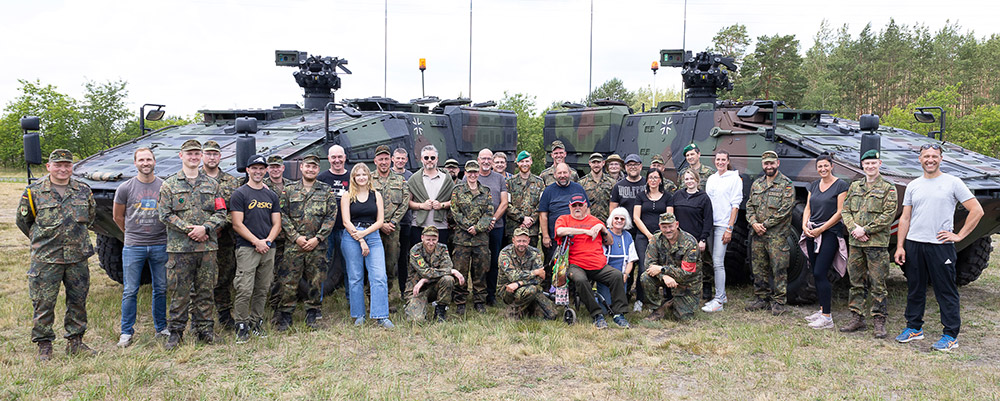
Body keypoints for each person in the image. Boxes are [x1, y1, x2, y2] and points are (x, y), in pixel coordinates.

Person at [894, 143, 983, 351]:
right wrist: (900, 245)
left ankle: (951, 335)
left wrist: (959, 235)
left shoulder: (953, 182)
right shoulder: (913, 185)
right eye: (926, 156)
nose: (930, 159)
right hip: (914, 244)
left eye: (934, 156)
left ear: (941, 159)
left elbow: (976, 210)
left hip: (940, 246)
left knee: (945, 290)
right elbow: (905, 218)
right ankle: (914, 327)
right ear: (920, 159)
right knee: (915, 288)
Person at [17, 149, 97, 360]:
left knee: (78, 301)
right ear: (49, 167)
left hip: (77, 257)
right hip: (46, 259)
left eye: (67, 165)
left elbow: (90, 217)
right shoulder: (33, 192)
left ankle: (75, 341)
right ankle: (44, 345)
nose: (63, 169)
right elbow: (24, 222)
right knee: (44, 302)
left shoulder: (83, 191)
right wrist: (42, 241)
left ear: (72, 167)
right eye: (58, 165)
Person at [157, 140, 228, 349]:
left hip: (207, 248)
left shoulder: (213, 185)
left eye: (197, 154)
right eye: (189, 154)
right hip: (180, 249)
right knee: (180, 291)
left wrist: (205, 228)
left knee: (206, 290)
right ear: (181, 156)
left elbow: (221, 212)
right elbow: (164, 214)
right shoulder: (169, 184)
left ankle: (204, 329)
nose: (193, 157)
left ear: (201, 156)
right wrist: (191, 229)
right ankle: (176, 332)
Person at [113, 148, 169, 348]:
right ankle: (126, 332)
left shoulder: (164, 186)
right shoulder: (125, 188)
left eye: (149, 159)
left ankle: (161, 328)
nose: (146, 163)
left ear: (155, 162)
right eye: (141, 160)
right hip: (134, 245)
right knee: (130, 290)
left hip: (160, 244)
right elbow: (117, 216)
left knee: (161, 288)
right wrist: (130, 234)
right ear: (135, 163)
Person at [275, 154, 337, 331]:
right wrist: (296, 237)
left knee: (316, 281)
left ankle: (312, 314)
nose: (310, 169)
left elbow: (331, 217)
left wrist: (318, 238)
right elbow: (282, 215)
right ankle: (286, 315)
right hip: (294, 245)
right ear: (301, 168)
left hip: (317, 245)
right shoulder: (289, 190)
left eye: (314, 167)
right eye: (307, 166)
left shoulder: (326, 191)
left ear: (318, 170)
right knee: (289, 281)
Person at [838, 150, 897, 337]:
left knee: (878, 283)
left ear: (879, 164)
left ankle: (879, 321)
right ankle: (857, 317)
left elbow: (888, 215)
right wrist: (853, 228)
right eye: (866, 164)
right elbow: (845, 210)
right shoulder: (855, 186)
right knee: (856, 282)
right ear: (862, 166)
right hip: (856, 243)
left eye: (873, 163)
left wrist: (866, 230)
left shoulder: (888, 187)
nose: (870, 167)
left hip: (876, 244)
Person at [558, 194, 631, 329]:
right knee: (580, 279)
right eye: (574, 205)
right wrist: (585, 232)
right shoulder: (564, 219)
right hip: (575, 264)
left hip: (598, 265)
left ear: (586, 206)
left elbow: (610, 241)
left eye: (580, 205)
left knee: (616, 275)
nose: (577, 208)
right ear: (570, 207)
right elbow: (560, 231)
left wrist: (603, 229)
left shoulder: (595, 220)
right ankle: (597, 314)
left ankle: (619, 314)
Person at [229, 155, 281, 343]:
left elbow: (277, 223)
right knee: (244, 288)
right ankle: (241, 325)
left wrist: (267, 241)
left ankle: (256, 322)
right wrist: (256, 242)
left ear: (265, 170)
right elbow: (237, 224)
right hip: (247, 248)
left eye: (261, 168)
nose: (258, 171)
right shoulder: (240, 194)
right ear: (247, 170)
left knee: (262, 288)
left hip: (268, 248)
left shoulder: (271, 195)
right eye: (254, 168)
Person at [800, 154, 849, 331]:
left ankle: (827, 318)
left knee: (821, 272)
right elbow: (808, 207)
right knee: (815, 271)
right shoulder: (814, 185)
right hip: (812, 232)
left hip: (829, 234)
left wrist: (822, 229)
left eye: (826, 166)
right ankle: (822, 311)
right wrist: (805, 224)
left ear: (831, 166)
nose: (823, 169)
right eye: (820, 166)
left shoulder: (840, 185)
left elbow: (840, 212)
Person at [341, 163, 394, 328]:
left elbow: (380, 221)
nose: (361, 177)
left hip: (373, 236)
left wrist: (365, 234)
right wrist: (360, 238)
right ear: (353, 178)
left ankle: (381, 315)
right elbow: (345, 221)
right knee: (356, 277)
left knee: (379, 276)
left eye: (364, 174)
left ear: (369, 177)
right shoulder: (347, 196)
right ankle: (359, 315)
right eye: (358, 175)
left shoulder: (376, 195)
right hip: (352, 237)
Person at [745, 150, 795, 316]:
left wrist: (764, 224)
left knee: (779, 269)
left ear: (777, 163)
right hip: (758, 235)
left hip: (777, 236)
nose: (769, 166)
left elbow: (785, 210)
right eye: (766, 163)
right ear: (762, 164)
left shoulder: (786, 184)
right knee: (759, 267)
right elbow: (750, 206)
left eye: (772, 163)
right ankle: (762, 298)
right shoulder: (757, 184)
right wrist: (754, 223)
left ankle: (779, 301)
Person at [202, 140, 241, 331]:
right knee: (201, 280)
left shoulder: (231, 182)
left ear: (220, 157)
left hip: (224, 237)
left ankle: (225, 315)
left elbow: (235, 209)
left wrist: (219, 224)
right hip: (199, 238)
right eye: (208, 153)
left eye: (215, 154)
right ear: (203, 156)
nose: (211, 157)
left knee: (224, 277)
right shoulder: (194, 178)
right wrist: (206, 227)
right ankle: (202, 319)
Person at [450, 160, 495, 314]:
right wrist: (468, 226)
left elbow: (489, 213)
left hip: (480, 239)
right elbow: (455, 211)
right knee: (460, 270)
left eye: (475, 172)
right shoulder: (458, 190)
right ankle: (460, 301)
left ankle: (479, 300)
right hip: (462, 238)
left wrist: (477, 228)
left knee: (480, 271)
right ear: (466, 173)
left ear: (479, 173)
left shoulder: (485, 191)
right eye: (470, 172)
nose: (473, 175)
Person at [641, 212, 701, 321]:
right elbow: (649, 265)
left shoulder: (690, 243)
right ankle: (656, 310)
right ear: (660, 227)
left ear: (677, 224)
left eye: (670, 226)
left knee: (684, 318)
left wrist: (662, 269)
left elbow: (687, 273)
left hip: (687, 283)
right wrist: (663, 276)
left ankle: (672, 303)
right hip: (666, 277)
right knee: (645, 277)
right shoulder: (655, 240)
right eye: (664, 227)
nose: (668, 230)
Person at [702, 150, 742, 313]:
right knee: (714, 260)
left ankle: (718, 301)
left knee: (718, 262)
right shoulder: (711, 179)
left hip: (722, 226)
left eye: (723, 159)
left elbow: (735, 205)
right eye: (718, 159)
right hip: (710, 224)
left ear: (728, 161)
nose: (720, 162)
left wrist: (729, 228)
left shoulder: (734, 179)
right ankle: (722, 294)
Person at [404, 226, 466, 322]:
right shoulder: (415, 250)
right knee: (417, 320)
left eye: (434, 239)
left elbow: (447, 266)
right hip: (417, 290)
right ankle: (411, 305)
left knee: (448, 279)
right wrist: (451, 271)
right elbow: (426, 272)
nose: (431, 243)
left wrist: (425, 279)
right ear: (422, 238)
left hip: (434, 287)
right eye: (428, 239)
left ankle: (440, 311)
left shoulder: (442, 248)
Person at [373, 145, 411, 298]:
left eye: (386, 159)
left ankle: (385, 297)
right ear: (375, 161)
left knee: (390, 264)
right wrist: (380, 223)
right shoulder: (368, 179)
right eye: (381, 159)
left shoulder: (400, 180)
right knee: (374, 266)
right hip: (373, 229)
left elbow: (404, 203)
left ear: (391, 160)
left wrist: (393, 222)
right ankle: (372, 297)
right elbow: (365, 203)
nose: (384, 162)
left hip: (393, 230)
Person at [632, 168, 672, 311]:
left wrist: (658, 236)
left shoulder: (668, 197)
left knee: (662, 266)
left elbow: (669, 218)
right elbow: (636, 217)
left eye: (656, 177)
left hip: (662, 237)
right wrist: (649, 235)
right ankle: (640, 299)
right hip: (643, 237)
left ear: (660, 180)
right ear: (647, 180)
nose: (653, 180)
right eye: (650, 177)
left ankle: (658, 299)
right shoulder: (640, 196)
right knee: (644, 267)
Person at [673, 169, 715, 302]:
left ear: (697, 180)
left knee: (701, 265)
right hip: (680, 238)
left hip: (697, 238)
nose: (689, 181)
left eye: (692, 179)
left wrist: (703, 239)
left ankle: (706, 289)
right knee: (681, 265)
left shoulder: (704, 198)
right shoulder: (677, 195)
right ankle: (680, 291)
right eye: (686, 179)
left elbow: (708, 220)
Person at [474, 149, 509, 307]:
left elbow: (504, 202)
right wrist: (480, 223)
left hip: (496, 226)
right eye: (484, 159)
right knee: (478, 262)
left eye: (489, 159)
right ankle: (477, 295)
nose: (486, 162)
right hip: (477, 228)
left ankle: (491, 295)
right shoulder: (472, 175)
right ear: (478, 160)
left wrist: (493, 219)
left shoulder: (500, 179)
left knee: (494, 261)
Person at [498, 227, 557, 320]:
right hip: (508, 289)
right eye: (519, 241)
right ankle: (513, 312)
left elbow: (541, 277)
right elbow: (513, 276)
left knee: (552, 314)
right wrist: (534, 272)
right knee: (531, 290)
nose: (521, 244)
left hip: (522, 285)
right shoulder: (505, 253)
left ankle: (528, 309)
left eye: (524, 241)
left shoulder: (535, 253)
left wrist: (519, 283)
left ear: (529, 241)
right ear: (513, 240)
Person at [538, 163, 588, 271]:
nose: (562, 175)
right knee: (552, 264)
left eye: (565, 172)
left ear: (570, 173)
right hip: (554, 237)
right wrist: (545, 236)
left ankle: (573, 287)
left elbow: (587, 210)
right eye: (559, 173)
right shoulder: (548, 191)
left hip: (576, 235)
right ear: (554, 175)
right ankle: (550, 286)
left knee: (575, 264)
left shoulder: (578, 188)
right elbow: (543, 215)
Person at [318, 145, 351, 297]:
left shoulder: (353, 178)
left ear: (344, 157)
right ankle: (317, 303)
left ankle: (352, 302)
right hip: (327, 230)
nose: (337, 160)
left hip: (347, 229)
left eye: (340, 157)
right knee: (322, 266)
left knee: (349, 267)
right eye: (333, 157)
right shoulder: (322, 179)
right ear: (329, 159)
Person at [407, 145, 454, 248]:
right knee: (418, 260)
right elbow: (407, 202)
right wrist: (421, 206)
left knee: (440, 259)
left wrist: (442, 205)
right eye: (426, 158)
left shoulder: (446, 179)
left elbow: (455, 200)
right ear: (421, 159)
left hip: (440, 226)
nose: (429, 160)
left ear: (437, 159)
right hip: (419, 225)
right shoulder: (414, 179)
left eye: (432, 158)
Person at [264, 155, 296, 309]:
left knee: (287, 272)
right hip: (270, 237)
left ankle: (284, 305)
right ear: (267, 169)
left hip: (288, 237)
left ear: (283, 168)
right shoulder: (261, 186)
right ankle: (274, 305)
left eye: (278, 166)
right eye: (272, 167)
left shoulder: (292, 186)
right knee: (272, 274)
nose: (275, 169)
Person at [598, 207, 638, 314]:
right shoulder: (605, 235)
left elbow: (631, 260)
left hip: (621, 276)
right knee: (605, 310)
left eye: (622, 219)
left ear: (626, 221)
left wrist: (626, 274)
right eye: (616, 218)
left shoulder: (628, 236)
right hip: (605, 275)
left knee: (617, 309)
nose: (619, 221)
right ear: (611, 220)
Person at [505, 151, 545, 246]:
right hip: (514, 229)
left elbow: (542, 203)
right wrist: (522, 218)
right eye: (522, 161)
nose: (524, 164)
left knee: (531, 257)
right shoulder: (510, 182)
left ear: (531, 162)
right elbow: (506, 204)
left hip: (532, 230)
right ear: (517, 163)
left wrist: (531, 220)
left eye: (527, 161)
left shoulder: (539, 182)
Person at [392, 148, 414, 293]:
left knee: (403, 257)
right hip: (389, 223)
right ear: (393, 159)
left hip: (405, 222)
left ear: (406, 160)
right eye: (397, 158)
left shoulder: (410, 176)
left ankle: (403, 289)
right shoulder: (387, 174)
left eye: (403, 158)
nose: (400, 161)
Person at [580, 152, 616, 224]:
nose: (596, 165)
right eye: (594, 162)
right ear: (589, 163)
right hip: (588, 223)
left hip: (607, 223)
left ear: (603, 163)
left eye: (598, 162)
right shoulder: (582, 183)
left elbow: (615, 203)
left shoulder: (612, 182)